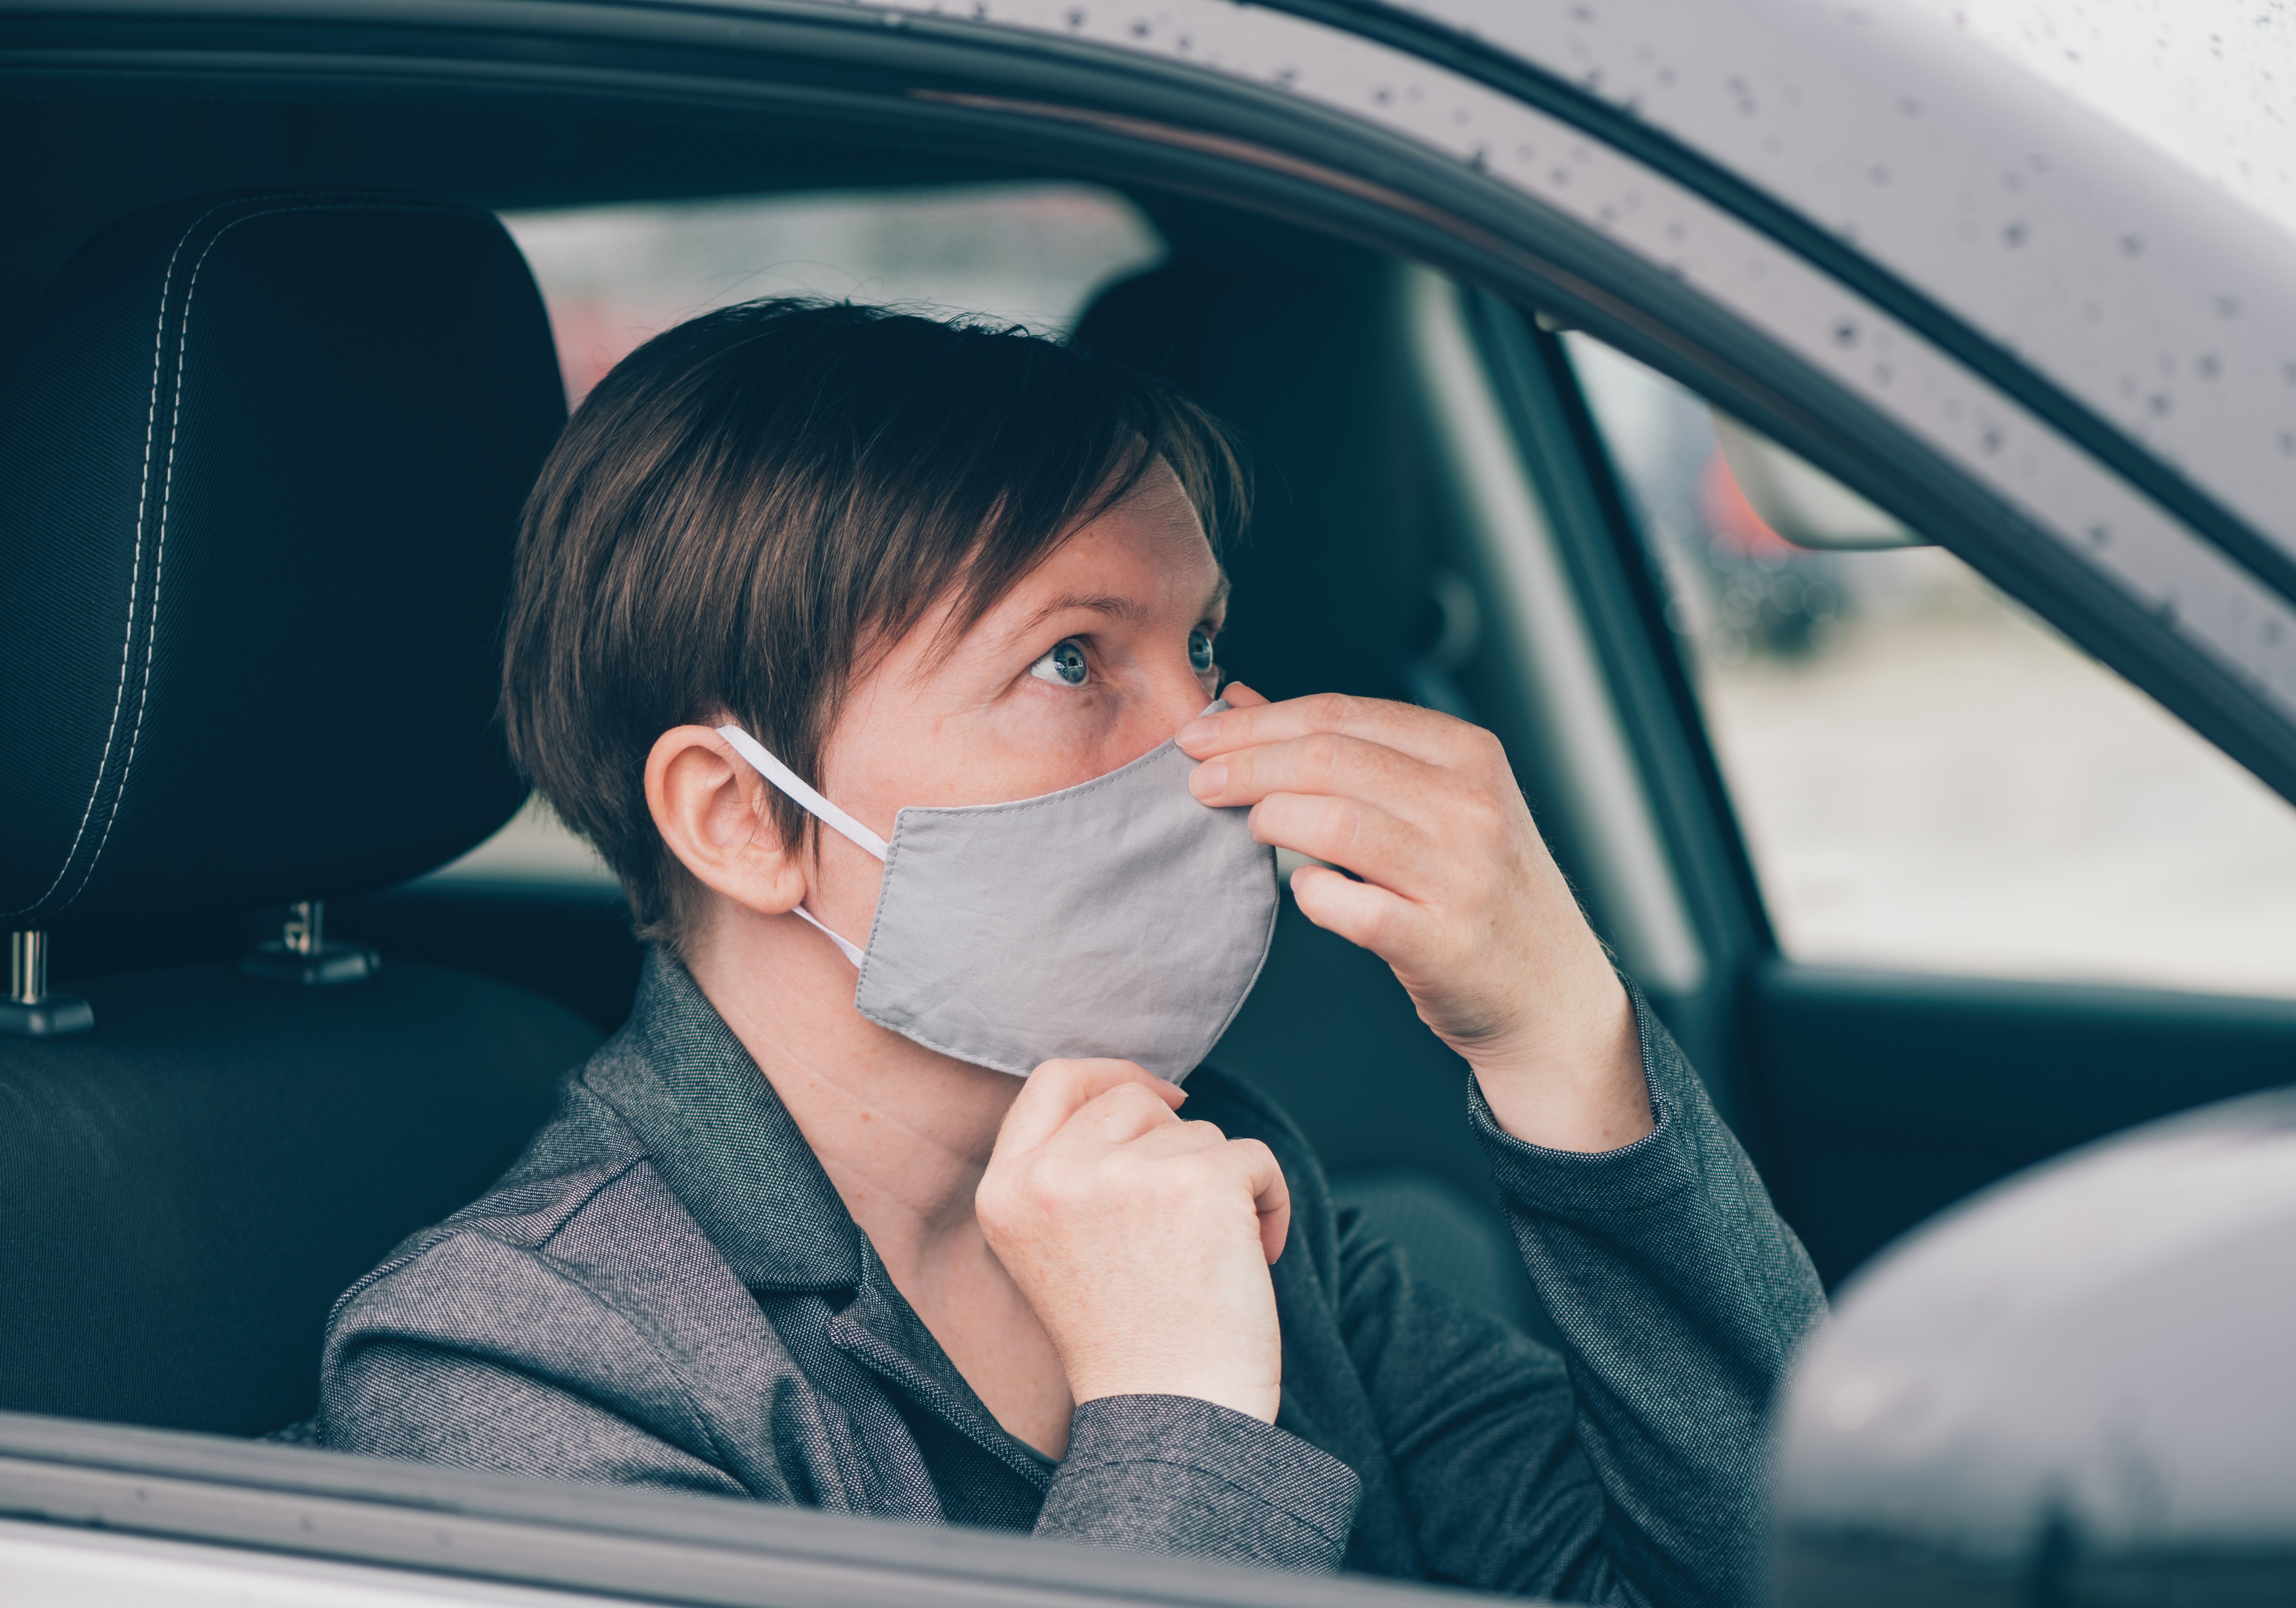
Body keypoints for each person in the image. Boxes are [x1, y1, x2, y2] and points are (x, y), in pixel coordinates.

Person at [317, 300, 1825, 1605]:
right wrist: (1177, 1411)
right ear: (740, 820)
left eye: (1207, 650)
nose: (1217, 745)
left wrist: (1561, 1038)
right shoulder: (511, 1370)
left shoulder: (1234, 1176)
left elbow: (1760, 1581)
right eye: (1069, 660)